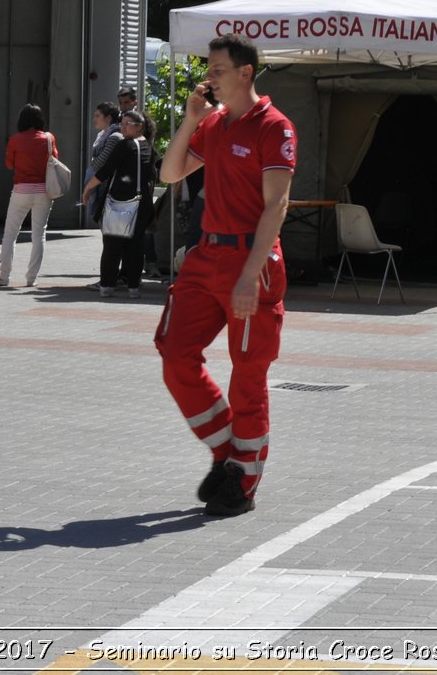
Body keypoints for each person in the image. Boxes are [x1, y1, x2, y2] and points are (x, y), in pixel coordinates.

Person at [156, 33, 296, 518]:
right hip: (205, 256)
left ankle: (243, 480)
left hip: (248, 262)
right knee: (176, 355)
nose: (209, 77)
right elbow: (169, 174)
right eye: (209, 69)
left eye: (218, 69)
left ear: (245, 73)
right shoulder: (213, 125)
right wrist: (190, 120)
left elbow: (277, 205)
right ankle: (227, 453)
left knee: (248, 375)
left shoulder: (273, 126)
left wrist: (248, 276)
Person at [82, 109, 156, 297]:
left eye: (126, 124)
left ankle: (106, 286)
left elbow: (105, 170)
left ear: (139, 126)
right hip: (142, 204)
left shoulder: (125, 145)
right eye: (122, 123)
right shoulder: (147, 146)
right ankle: (133, 287)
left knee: (112, 245)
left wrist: (88, 188)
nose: (122, 128)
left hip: (120, 203)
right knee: (135, 246)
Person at [0, 103, 58, 288]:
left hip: (21, 190)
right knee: (39, 235)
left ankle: (4, 277)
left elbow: (9, 165)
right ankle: (31, 279)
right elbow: (54, 160)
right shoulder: (48, 138)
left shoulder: (15, 139)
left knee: (10, 235)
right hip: (43, 192)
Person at [87, 101, 123, 223]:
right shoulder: (103, 136)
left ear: (108, 118)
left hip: (107, 188)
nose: (94, 119)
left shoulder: (114, 136)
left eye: (97, 116)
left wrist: (93, 165)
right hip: (102, 186)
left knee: (107, 225)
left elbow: (100, 163)